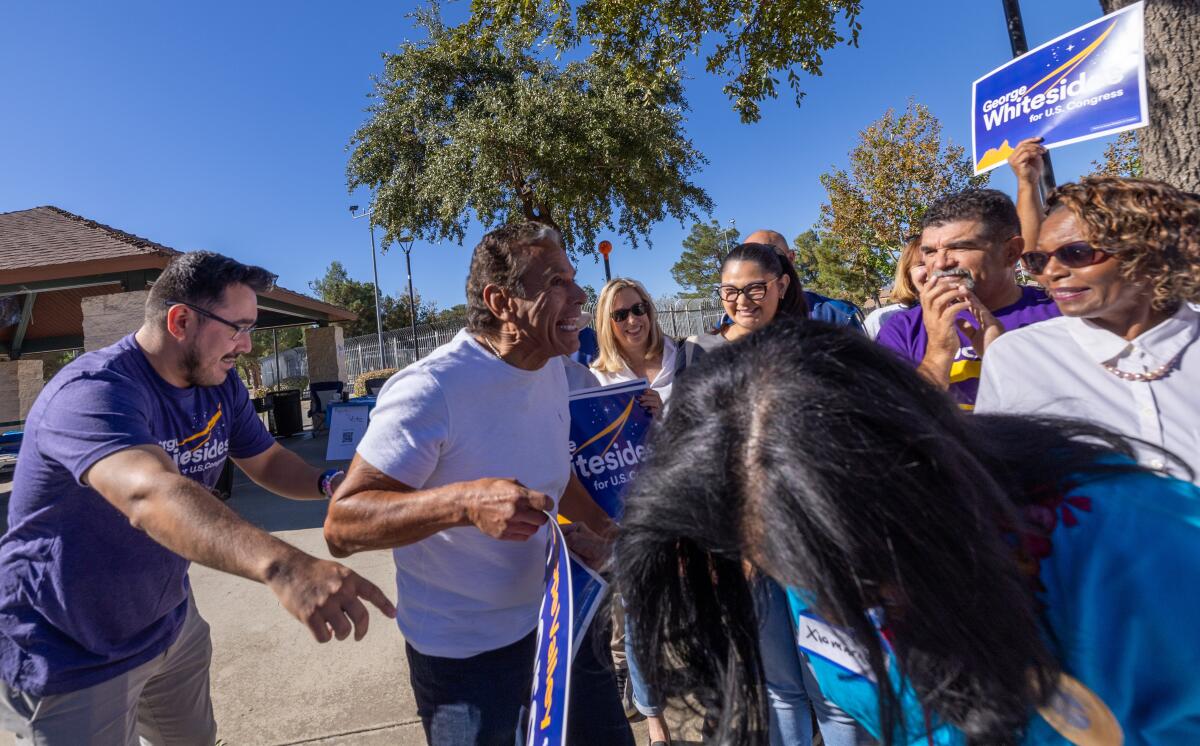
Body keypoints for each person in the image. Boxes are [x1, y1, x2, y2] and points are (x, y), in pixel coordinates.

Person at [617, 319, 1200, 745]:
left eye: (859, 565)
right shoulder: (806, 545)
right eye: (770, 559)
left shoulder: (1142, 538)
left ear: (913, 468)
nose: (825, 595)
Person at [0, 251, 395, 745]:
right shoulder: (93, 393)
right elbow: (150, 494)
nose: (246, 346)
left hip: (169, 623)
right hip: (68, 649)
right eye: (238, 328)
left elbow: (267, 460)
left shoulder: (218, 382)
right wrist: (284, 565)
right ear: (181, 319)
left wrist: (328, 485)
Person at [323, 221, 633, 746]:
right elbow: (342, 523)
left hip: (561, 624)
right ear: (502, 301)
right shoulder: (432, 388)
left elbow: (556, 477)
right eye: (556, 282)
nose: (581, 295)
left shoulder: (552, 367)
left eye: (573, 279)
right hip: (467, 663)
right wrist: (463, 503)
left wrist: (611, 536)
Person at [682, 242, 865, 746]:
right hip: (742, 545)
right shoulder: (701, 354)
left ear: (781, 286)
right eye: (730, 291)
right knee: (781, 685)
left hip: (810, 537)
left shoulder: (816, 346)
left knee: (831, 682)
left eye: (755, 289)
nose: (742, 300)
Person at [977, 170, 1200, 481]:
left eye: (1076, 253)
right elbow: (1000, 484)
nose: (1051, 272)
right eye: (1039, 260)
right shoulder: (1017, 357)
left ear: (1148, 251)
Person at [875, 189, 1060, 409]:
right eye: (930, 252)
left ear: (1011, 252)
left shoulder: (1061, 315)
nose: (941, 263)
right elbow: (887, 427)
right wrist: (938, 354)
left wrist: (1003, 358)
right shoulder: (902, 330)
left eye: (959, 247)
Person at [591, 278, 674, 746]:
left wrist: (665, 414)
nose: (633, 319)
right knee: (639, 613)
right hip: (631, 517)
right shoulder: (597, 380)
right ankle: (654, 717)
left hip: (683, 507)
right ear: (607, 322)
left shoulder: (682, 360)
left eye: (639, 308)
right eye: (620, 314)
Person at [744, 229, 864, 330]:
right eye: (746, 261)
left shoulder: (835, 316)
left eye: (768, 258)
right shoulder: (732, 321)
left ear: (790, 258)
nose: (757, 268)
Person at [861, 237, 925, 340]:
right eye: (922, 264)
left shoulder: (959, 314)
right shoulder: (880, 319)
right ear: (907, 273)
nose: (934, 270)